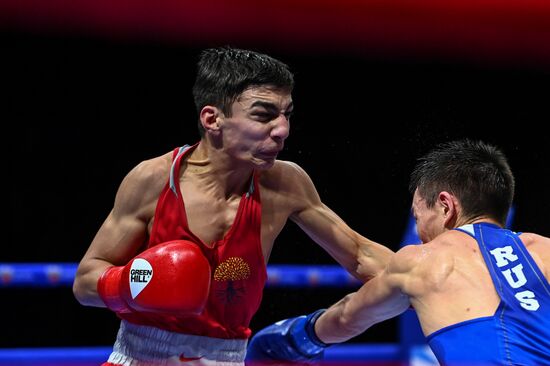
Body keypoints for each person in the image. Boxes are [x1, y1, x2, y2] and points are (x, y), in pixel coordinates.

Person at [72, 46, 394, 366]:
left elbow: (360, 255)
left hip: (226, 357)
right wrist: (133, 284)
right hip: (137, 356)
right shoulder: (154, 180)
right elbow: (86, 281)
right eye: (264, 115)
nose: (283, 130)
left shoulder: (284, 184)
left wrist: (431, 274)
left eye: (287, 114)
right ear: (213, 119)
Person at [247, 139, 550, 365]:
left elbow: (346, 318)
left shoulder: (422, 261)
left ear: (446, 206)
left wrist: (295, 338)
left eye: (419, 218)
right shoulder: (545, 249)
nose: (420, 234)